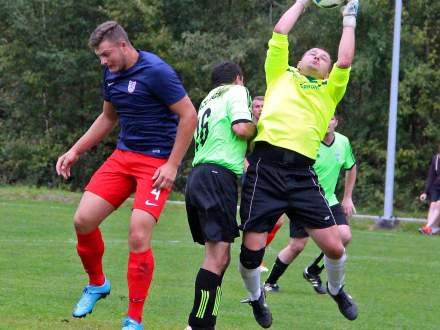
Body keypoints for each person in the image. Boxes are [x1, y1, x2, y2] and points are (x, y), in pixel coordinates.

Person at [56, 21, 197, 330]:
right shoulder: (111, 74)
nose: (104, 62)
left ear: (123, 45)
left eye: (106, 55)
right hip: (123, 157)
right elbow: (108, 117)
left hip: (156, 162)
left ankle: (133, 320)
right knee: (83, 220)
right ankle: (97, 284)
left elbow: (189, 116)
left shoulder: (157, 72)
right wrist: (75, 150)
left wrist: (172, 165)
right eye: (99, 58)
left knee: (138, 234)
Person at [237, 0, 359, 327]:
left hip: (303, 173)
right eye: (312, 52)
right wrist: (303, 1)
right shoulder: (280, 74)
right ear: (299, 60)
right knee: (250, 253)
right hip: (265, 168)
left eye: (324, 56)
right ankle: (255, 297)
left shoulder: (329, 90)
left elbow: (345, 58)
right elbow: (280, 31)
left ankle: (336, 288)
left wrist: (350, 16)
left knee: (335, 247)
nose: (318, 55)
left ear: (328, 69)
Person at [185, 62, 256, 330]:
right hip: (217, 177)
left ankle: (205, 322)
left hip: (199, 176)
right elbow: (241, 128)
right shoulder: (238, 92)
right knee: (217, 258)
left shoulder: (208, 100)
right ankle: (198, 325)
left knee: (219, 257)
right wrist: (260, 129)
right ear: (238, 78)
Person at [264, 116, 357, 295]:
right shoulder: (308, 141)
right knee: (297, 245)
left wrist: (347, 197)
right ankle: (270, 282)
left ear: (336, 122)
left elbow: (351, 167)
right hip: (305, 200)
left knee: (344, 236)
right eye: (325, 119)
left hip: (329, 200)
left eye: (332, 119)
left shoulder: (343, 142)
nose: (328, 123)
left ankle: (314, 270)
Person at [419, 152, 440, 235]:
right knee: (433, 205)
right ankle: (430, 229)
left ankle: (427, 227)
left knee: (439, 204)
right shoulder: (436, 158)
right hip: (436, 186)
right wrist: (425, 192)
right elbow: (431, 176)